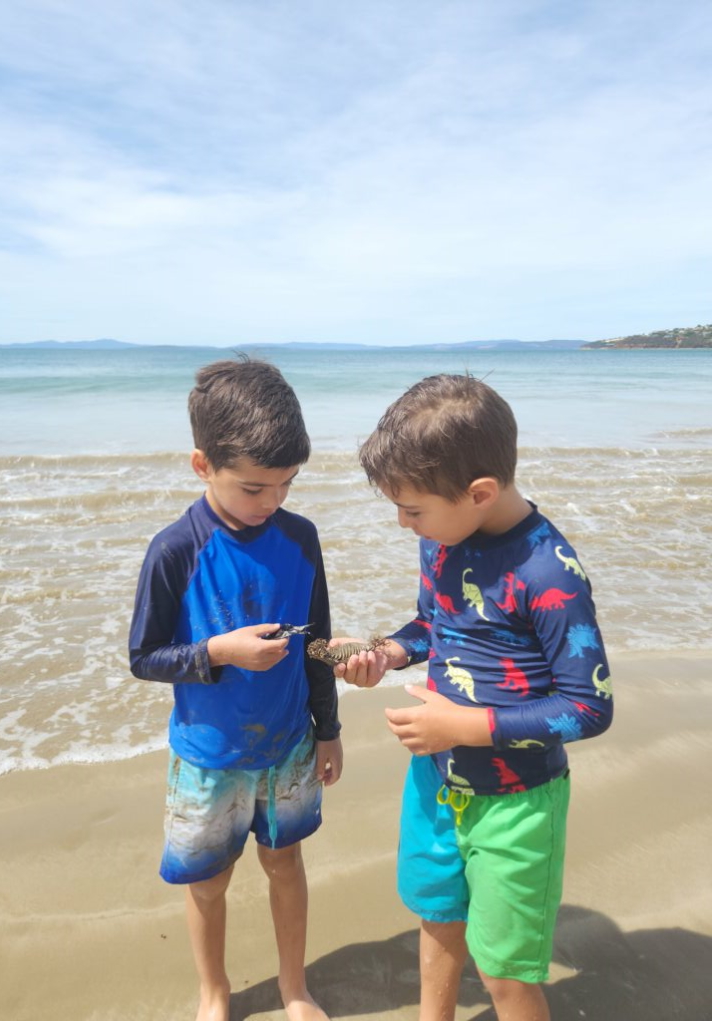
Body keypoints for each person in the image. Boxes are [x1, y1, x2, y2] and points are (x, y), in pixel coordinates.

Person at [333, 373, 613, 1021]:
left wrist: (463, 725)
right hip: (437, 778)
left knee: (503, 970)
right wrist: (388, 651)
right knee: (437, 918)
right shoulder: (444, 538)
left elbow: (588, 706)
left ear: (479, 492)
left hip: (516, 802)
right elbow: (435, 623)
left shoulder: (548, 572)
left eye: (413, 509)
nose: (404, 524)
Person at [129, 358, 342, 1021]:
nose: (272, 500)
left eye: (286, 483)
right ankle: (215, 993)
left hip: (287, 745)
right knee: (209, 882)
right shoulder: (174, 550)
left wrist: (328, 727)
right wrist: (218, 652)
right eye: (254, 487)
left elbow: (318, 642)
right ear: (202, 465)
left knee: (285, 864)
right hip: (209, 755)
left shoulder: (301, 538)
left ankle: (293, 986)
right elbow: (144, 656)